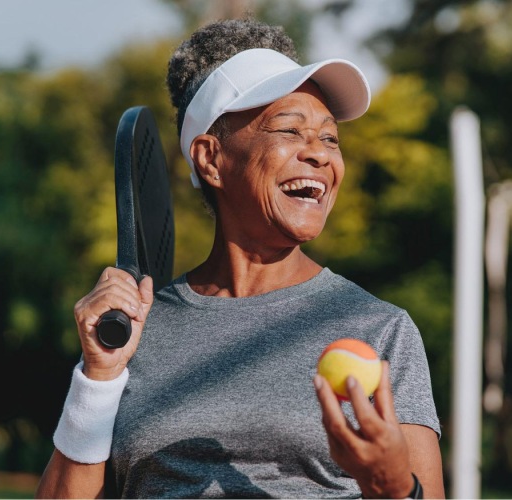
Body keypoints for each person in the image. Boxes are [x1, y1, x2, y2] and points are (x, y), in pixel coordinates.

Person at [36, 18, 444, 499]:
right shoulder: (132, 330)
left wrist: (392, 483)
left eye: (330, 138)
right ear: (210, 158)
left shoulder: (379, 329)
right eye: (290, 130)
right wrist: (98, 379)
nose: (319, 154)